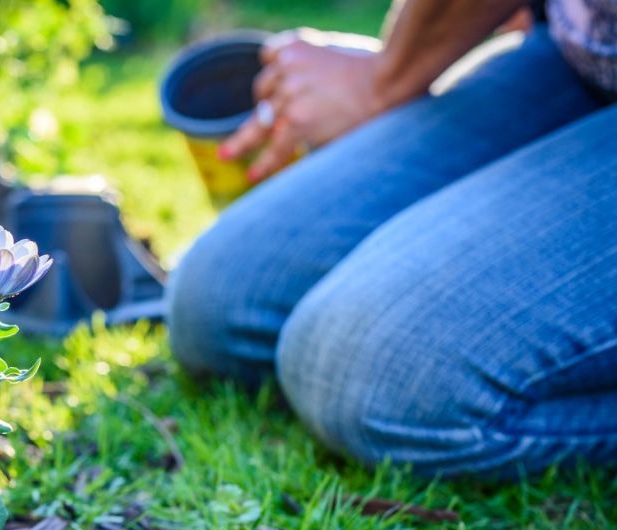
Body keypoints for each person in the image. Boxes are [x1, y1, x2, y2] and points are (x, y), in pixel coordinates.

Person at [166, 0, 617, 478]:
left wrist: (386, 80)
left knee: (377, 378)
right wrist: (386, 79)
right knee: (218, 298)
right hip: (579, 56)